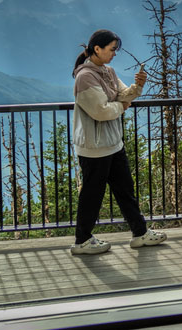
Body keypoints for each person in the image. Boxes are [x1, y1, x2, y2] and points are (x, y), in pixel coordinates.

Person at [71, 29, 167, 255]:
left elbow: (122, 94)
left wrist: (137, 87)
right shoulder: (84, 77)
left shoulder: (108, 72)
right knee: (92, 194)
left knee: (125, 190)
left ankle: (140, 233)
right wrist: (121, 106)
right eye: (112, 49)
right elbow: (100, 111)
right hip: (94, 147)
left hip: (112, 143)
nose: (115, 54)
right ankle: (82, 240)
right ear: (97, 49)